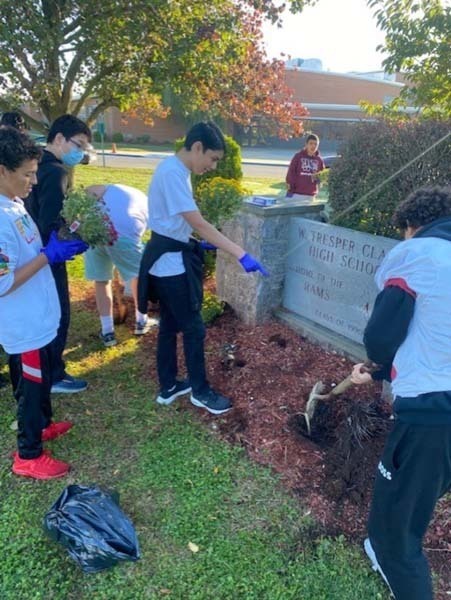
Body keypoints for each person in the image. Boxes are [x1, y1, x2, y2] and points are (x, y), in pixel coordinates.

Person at [350, 186, 451, 600]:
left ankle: (386, 551)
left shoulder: (418, 255)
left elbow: (381, 337)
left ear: (413, 226)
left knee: (394, 528)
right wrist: (379, 377)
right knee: (428, 486)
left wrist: (376, 362)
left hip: (432, 419)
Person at [138, 121, 268, 415]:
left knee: (170, 326)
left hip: (168, 257)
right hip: (171, 267)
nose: (213, 166)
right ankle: (200, 391)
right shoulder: (173, 173)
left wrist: (193, 240)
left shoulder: (176, 170)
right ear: (197, 147)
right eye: (213, 159)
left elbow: (181, 222)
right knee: (194, 328)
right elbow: (197, 221)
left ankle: (169, 386)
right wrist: (240, 253)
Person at [0, 127, 88, 479]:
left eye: (35, 172)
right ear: (2, 171)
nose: (34, 181)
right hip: (24, 325)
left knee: (39, 384)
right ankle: (28, 454)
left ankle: (43, 425)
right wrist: (48, 256)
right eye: (27, 174)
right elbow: (3, 282)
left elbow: (27, 254)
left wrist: (58, 242)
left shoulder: (14, 204)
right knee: (30, 389)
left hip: (38, 317)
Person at [26, 114, 92, 393]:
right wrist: (68, 236)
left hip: (29, 249)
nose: (80, 153)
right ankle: (54, 374)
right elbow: (51, 218)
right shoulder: (56, 172)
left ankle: (45, 369)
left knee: (40, 312)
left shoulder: (34, 163)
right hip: (47, 254)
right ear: (59, 139)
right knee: (59, 313)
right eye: (78, 145)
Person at [83, 184, 158, 347]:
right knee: (137, 277)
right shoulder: (149, 205)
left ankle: (107, 331)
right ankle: (141, 321)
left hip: (93, 230)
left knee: (102, 281)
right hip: (123, 236)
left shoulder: (115, 188)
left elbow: (88, 191)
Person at [286, 133, 325, 200]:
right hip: (296, 194)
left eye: (316, 144)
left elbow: (321, 177)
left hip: (311, 195)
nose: (313, 146)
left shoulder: (319, 160)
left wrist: (319, 179)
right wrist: (290, 189)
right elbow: (291, 173)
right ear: (306, 144)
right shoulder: (298, 156)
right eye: (311, 143)